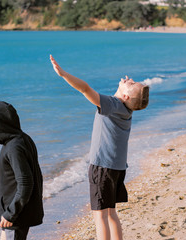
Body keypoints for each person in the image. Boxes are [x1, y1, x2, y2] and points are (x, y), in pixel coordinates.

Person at [50, 55, 149, 240]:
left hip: (102, 167)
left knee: (100, 216)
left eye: (132, 83)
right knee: (111, 213)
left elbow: (85, 89)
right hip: (117, 169)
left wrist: (63, 74)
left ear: (125, 96)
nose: (130, 79)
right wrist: (126, 88)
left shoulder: (113, 104)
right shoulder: (126, 110)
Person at [0, 101, 44, 240]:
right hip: (17, 212)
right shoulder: (23, 139)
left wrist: (10, 213)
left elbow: (25, 183)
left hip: (15, 216)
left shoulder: (13, 148)